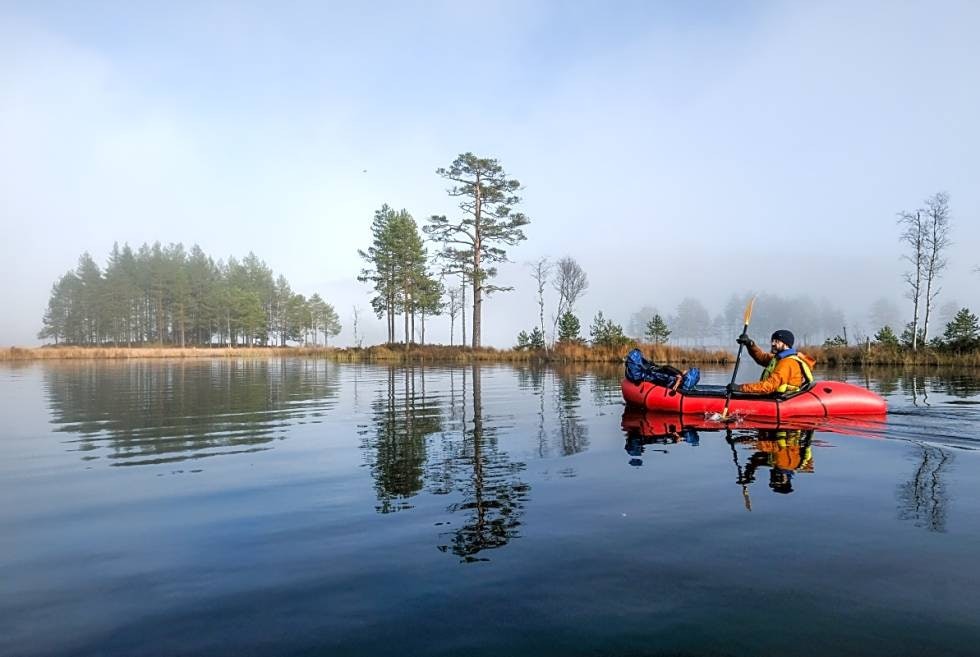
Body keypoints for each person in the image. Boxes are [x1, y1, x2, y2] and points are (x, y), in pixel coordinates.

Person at [726, 329, 815, 395]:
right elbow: (761, 357)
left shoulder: (788, 363)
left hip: (781, 398)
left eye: (776, 341)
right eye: (772, 341)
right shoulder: (779, 358)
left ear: (786, 344)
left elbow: (769, 385)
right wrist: (750, 344)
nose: (772, 344)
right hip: (775, 395)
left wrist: (740, 388)